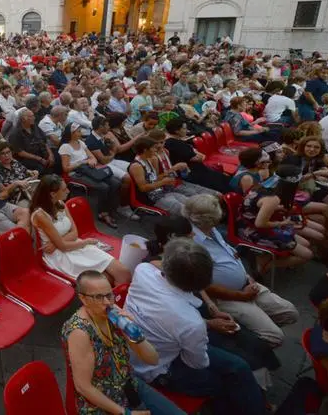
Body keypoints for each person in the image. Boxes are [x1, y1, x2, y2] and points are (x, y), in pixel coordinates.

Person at [124, 239, 266, 415]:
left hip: (144, 350)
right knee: (226, 385)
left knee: (240, 366)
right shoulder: (191, 322)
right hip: (158, 370)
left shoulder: (142, 270)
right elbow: (196, 362)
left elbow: (157, 265)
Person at [183, 194, 298, 348]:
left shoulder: (210, 229)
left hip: (247, 285)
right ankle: (245, 350)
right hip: (227, 297)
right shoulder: (190, 243)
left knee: (289, 313)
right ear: (209, 218)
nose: (222, 215)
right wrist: (242, 295)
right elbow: (204, 285)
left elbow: (228, 256)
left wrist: (246, 277)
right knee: (274, 337)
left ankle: (251, 326)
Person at [62, 270, 180, 415]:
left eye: (109, 295)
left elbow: (153, 359)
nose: (107, 302)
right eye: (98, 297)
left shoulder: (113, 314)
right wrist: (124, 413)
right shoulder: (79, 332)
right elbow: (83, 387)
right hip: (103, 402)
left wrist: (134, 333)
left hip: (129, 384)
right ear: (83, 299)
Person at [32, 175, 131, 284]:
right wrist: (86, 242)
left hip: (74, 244)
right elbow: (63, 247)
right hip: (61, 255)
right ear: (52, 194)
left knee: (124, 273)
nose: (68, 191)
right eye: (64, 189)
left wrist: (56, 243)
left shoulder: (61, 203)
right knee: (107, 280)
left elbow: (75, 233)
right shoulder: (40, 215)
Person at [236, 163, 315, 269]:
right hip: (252, 231)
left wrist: (277, 209)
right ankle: (266, 266)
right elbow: (259, 224)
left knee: (306, 243)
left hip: (248, 220)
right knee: (308, 255)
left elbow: (257, 206)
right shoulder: (273, 199)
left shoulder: (265, 184)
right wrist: (283, 223)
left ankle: (267, 260)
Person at [59, 122, 122, 227]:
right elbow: (66, 168)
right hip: (75, 173)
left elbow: (91, 156)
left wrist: (92, 160)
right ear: (72, 133)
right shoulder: (65, 147)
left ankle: (111, 208)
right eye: (78, 131)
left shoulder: (81, 143)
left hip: (88, 169)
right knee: (103, 187)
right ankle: (103, 213)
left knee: (115, 183)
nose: (81, 133)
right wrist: (83, 162)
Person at [128, 137, 203, 218]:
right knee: (188, 212)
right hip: (153, 198)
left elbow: (153, 179)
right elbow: (143, 188)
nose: (156, 150)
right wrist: (163, 182)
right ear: (145, 150)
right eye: (153, 148)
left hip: (163, 192)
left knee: (194, 205)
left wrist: (168, 174)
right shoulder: (137, 166)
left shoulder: (148, 160)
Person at [163, 118, 230, 193]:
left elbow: (197, 155)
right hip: (192, 173)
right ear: (177, 131)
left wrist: (197, 153)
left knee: (223, 177)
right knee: (223, 182)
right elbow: (199, 158)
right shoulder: (176, 144)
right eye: (184, 128)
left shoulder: (174, 142)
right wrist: (198, 154)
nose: (187, 130)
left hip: (195, 170)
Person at [0, 140, 39, 208]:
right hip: (15, 198)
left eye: (8, 152)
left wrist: (33, 172)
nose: (7, 155)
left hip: (29, 190)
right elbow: (3, 192)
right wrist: (15, 184)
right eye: (3, 153)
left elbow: (26, 171)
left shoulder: (14, 162)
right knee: (30, 207)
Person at [7, 107, 53, 174]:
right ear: (23, 119)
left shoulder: (35, 127)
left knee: (55, 161)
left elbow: (44, 142)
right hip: (28, 159)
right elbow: (20, 152)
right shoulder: (15, 133)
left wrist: (51, 155)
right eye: (31, 116)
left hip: (42, 155)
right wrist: (39, 159)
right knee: (40, 168)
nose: (34, 118)